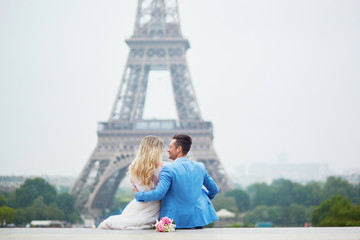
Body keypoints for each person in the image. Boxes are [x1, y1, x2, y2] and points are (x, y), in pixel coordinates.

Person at [135, 134, 219, 229]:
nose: (167, 150)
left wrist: (138, 195)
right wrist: (202, 198)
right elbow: (214, 190)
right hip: (197, 218)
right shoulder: (200, 167)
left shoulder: (168, 169)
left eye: (170, 147)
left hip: (175, 219)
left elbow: (159, 194)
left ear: (179, 149)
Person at [98, 136, 163, 230]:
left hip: (139, 206)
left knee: (126, 221)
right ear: (156, 151)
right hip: (154, 208)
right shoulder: (162, 168)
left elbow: (136, 193)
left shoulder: (134, 168)